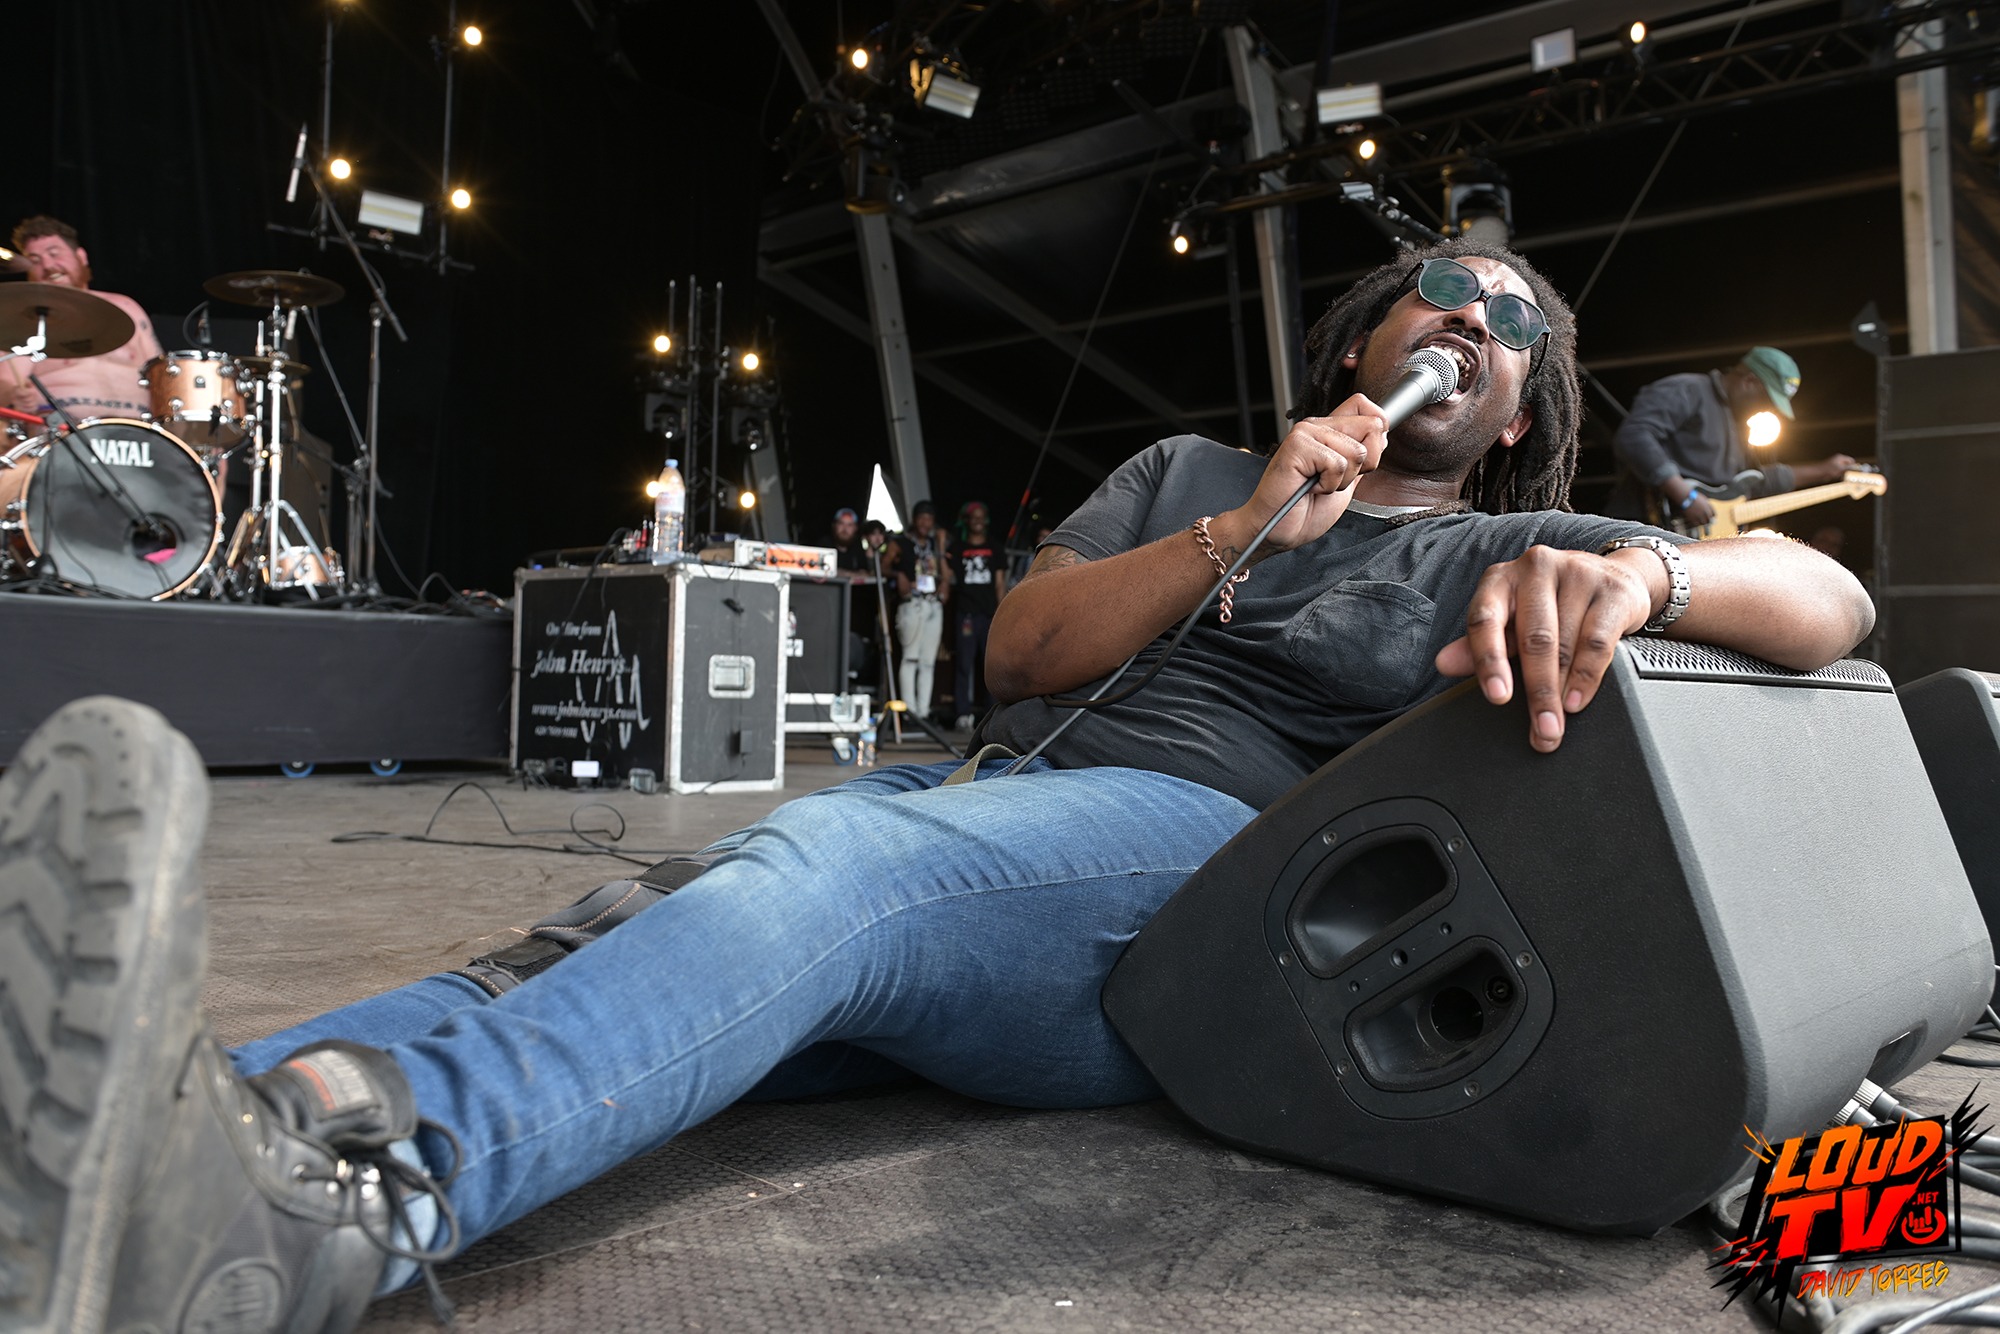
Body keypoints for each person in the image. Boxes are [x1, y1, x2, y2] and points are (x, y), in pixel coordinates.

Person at [1, 241, 1873, 1333]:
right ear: (1358, 350)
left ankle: (351, 1205)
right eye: (1427, 305)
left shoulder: (1518, 531)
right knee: (611, 942)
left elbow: (1834, 597)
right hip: (1001, 801)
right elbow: (1022, 657)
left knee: (822, 869)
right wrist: (1250, 514)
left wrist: (1649, 573)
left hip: (1197, 885)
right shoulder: (1194, 469)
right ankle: (162, 1155)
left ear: (1534, 405)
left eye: (1504, 322)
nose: (1463, 322)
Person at [1606, 347, 1856, 528]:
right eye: (1768, 401)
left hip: (1688, 546)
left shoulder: (1738, 425)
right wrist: (1685, 494)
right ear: (1749, 381)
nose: (1766, 410)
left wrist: (1824, 471)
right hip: (1643, 527)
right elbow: (1634, 435)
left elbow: (1751, 483)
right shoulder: (1688, 390)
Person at [1, 215, 163, 422]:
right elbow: (5, 382)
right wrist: (15, 396)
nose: (48, 266)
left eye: (54, 253)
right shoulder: (28, 319)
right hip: (62, 435)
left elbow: (161, 376)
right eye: (35, 260)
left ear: (81, 256)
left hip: (139, 435)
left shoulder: (125, 307)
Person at [949, 500, 1008, 729]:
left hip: (988, 614)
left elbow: (1000, 584)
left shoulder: (995, 548)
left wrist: (1001, 613)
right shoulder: (957, 547)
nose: (978, 521)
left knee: (989, 666)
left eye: (981, 517)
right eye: (973, 517)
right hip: (965, 612)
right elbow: (946, 574)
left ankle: (991, 714)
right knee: (964, 663)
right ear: (967, 520)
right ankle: (962, 714)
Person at [891, 500, 950, 722]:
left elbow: (947, 575)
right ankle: (908, 711)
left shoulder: (936, 544)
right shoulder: (901, 542)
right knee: (910, 658)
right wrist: (899, 575)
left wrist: (942, 548)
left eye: (929, 518)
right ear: (914, 520)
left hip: (933, 604)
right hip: (911, 604)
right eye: (921, 518)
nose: (925, 522)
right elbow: (884, 565)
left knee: (928, 661)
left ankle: (922, 712)